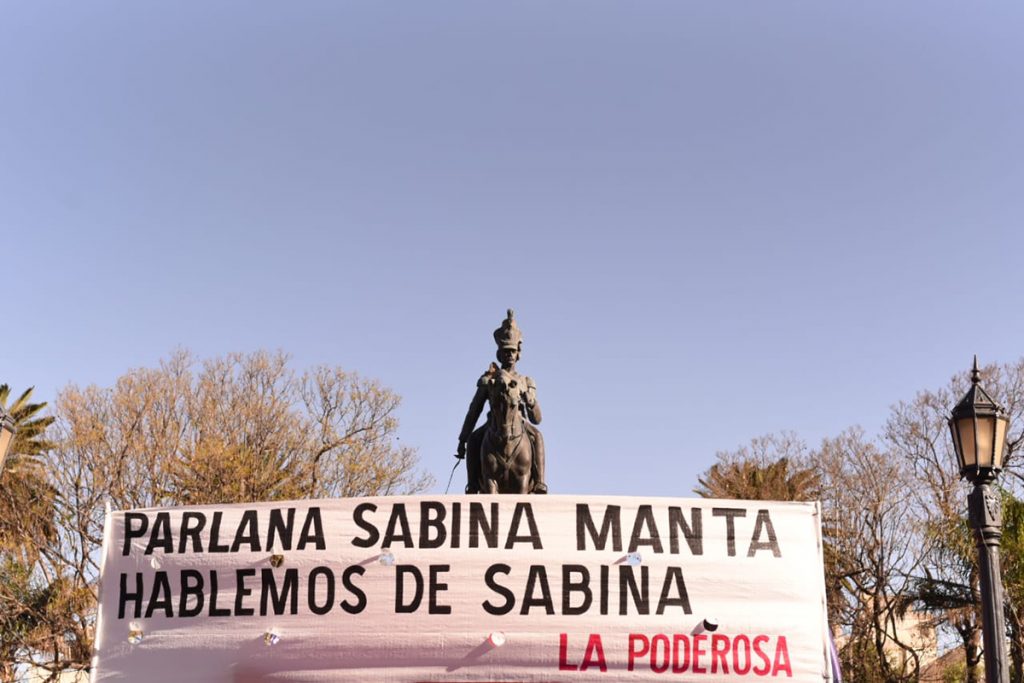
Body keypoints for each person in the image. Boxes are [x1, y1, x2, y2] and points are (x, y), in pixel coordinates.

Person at [457, 310, 547, 494]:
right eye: (506, 351)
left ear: (518, 353)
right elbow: (474, 411)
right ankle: (472, 483)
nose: (509, 355)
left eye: (512, 351)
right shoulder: (488, 380)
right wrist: (463, 438)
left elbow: (537, 419)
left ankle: (539, 482)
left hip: (519, 422)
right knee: (474, 439)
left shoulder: (526, 381)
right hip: (494, 423)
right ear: (500, 353)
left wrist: (529, 400)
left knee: (537, 436)